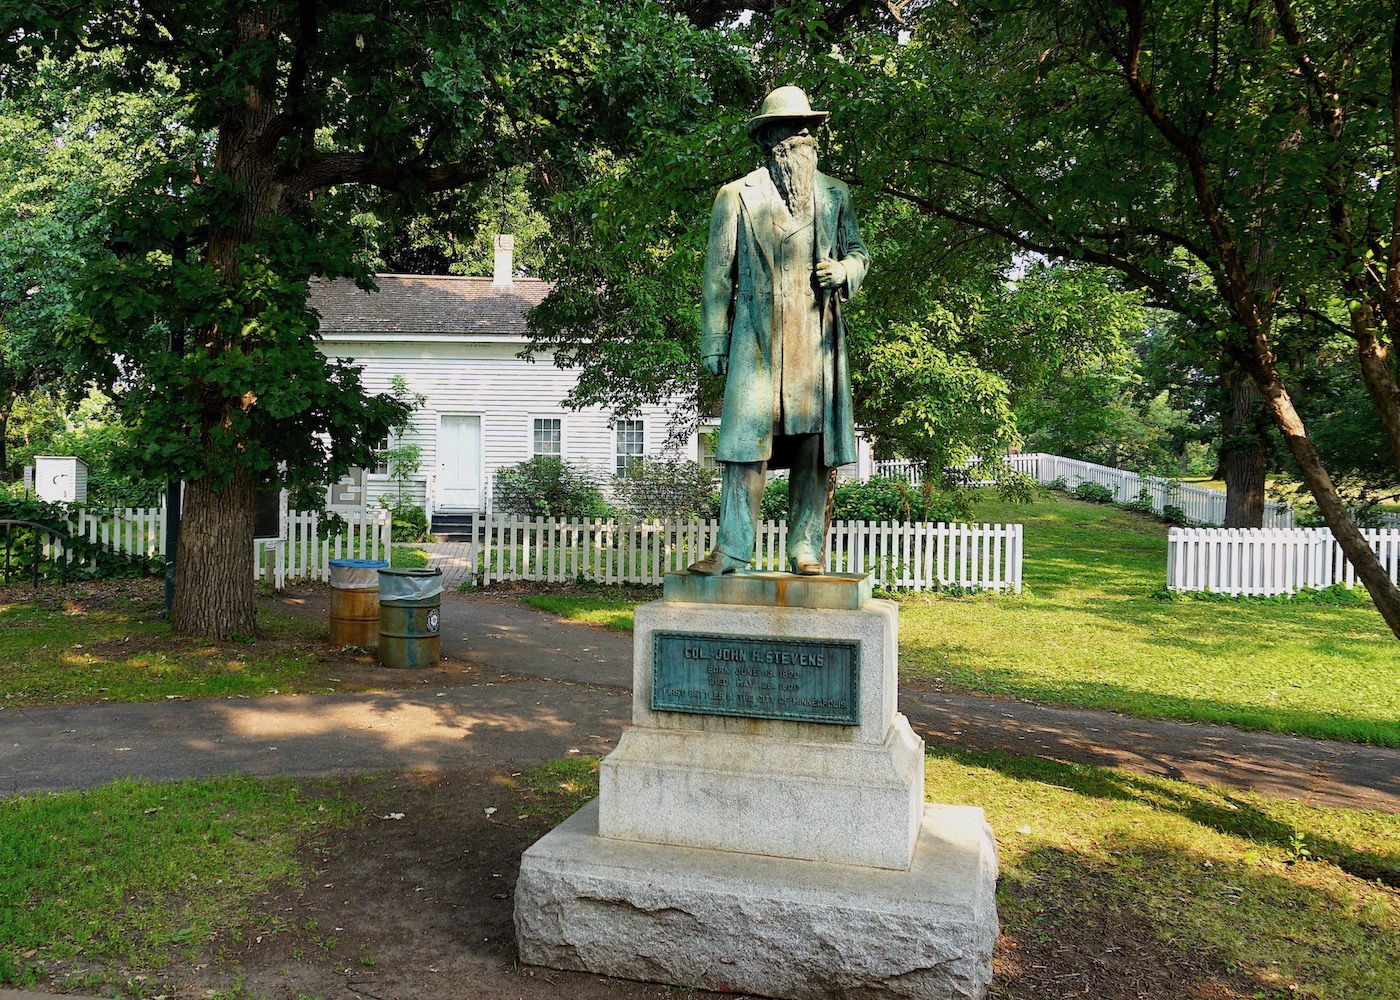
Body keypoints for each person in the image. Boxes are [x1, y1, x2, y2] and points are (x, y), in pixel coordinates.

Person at [688, 85, 870, 576]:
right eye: (795, 128)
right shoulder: (735, 196)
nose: (806, 136)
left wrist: (845, 270)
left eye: (810, 128)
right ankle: (731, 550)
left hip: (815, 334)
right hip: (756, 338)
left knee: (813, 446)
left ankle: (805, 549)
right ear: (771, 138)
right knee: (744, 447)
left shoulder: (835, 194)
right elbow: (717, 277)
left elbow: (858, 252)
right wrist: (714, 340)